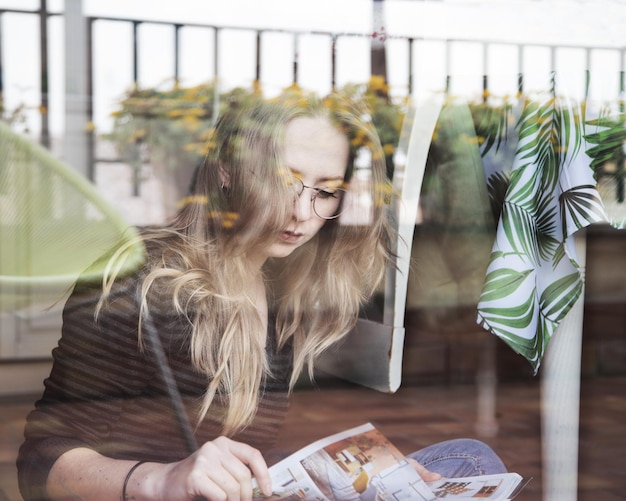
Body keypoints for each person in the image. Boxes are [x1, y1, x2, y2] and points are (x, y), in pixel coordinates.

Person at [17, 93, 506, 501]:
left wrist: (366, 471)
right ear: (227, 171)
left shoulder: (281, 284)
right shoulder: (139, 281)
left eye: (326, 190)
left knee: (466, 461)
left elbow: (248, 457)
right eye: (284, 180)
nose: (302, 213)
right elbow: (39, 464)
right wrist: (163, 479)